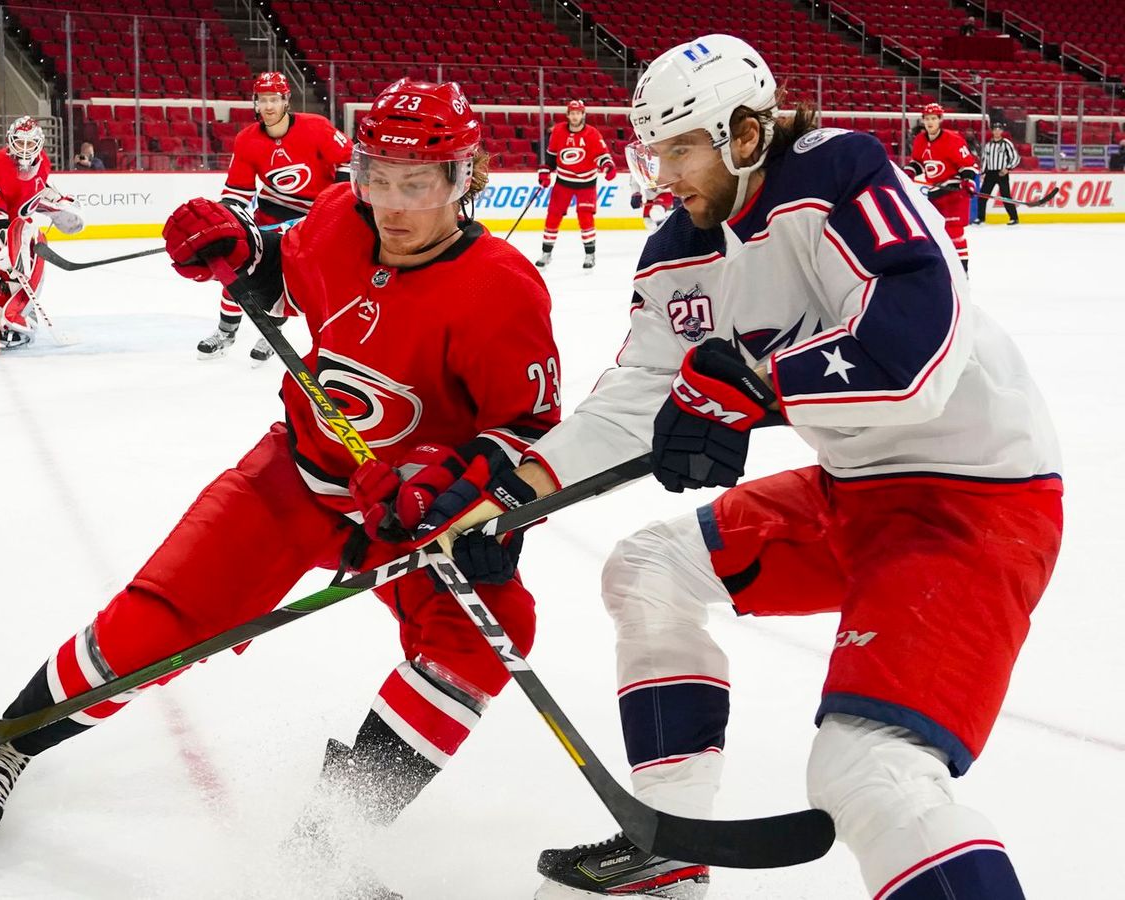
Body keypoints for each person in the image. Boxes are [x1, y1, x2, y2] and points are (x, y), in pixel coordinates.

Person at [423, 33, 1062, 900]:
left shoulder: (841, 173)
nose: (663, 174)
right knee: (648, 569)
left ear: (747, 132)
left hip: (973, 503)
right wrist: (510, 498)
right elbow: (632, 400)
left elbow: (918, 361)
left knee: (866, 771)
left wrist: (757, 386)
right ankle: (667, 850)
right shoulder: (675, 252)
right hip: (850, 492)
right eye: (654, 151)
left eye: (682, 148)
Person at [0, 79, 561, 898]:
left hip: (407, 513)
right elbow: (277, 272)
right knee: (155, 621)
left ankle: (332, 831)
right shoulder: (342, 217)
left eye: (420, 181)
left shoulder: (503, 289)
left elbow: (528, 431)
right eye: (378, 174)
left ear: (464, 176)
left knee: (488, 628)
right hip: (296, 479)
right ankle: (9, 742)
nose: (393, 203)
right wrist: (237, 249)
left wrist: (464, 500)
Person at [198, 71, 353, 363]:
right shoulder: (247, 140)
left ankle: (272, 334)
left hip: (316, 214)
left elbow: (349, 157)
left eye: (274, 99)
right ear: (255, 103)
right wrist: (226, 219)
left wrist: (333, 203)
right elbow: (238, 190)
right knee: (238, 269)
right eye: (263, 100)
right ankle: (225, 332)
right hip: (270, 211)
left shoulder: (316, 127)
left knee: (286, 278)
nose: (268, 106)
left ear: (286, 101)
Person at [0, 116, 85, 348]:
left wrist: (57, 201)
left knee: (30, 249)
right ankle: (13, 316)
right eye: (19, 143)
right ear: (10, 142)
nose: (24, 149)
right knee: (22, 250)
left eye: (30, 144)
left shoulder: (43, 163)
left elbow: (36, 189)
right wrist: (2, 236)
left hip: (17, 225)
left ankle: (8, 313)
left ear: (39, 145)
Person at [535, 99, 615, 270]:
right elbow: (551, 155)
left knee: (585, 217)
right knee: (553, 216)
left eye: (578, 113)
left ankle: (589, 255)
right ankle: (546, 253)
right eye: (572, 113)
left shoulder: (592, 134)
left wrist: (607, 166)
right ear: (568, 114)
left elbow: (602, 155)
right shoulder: (558, 131)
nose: (575, 116)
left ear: (583, 114)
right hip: (563, 181)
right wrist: (545, 171)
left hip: (586, 183)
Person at [905, 102, 979, 270]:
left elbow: (968, 165)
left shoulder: (953, 140)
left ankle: (962, 270)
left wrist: (967, 180)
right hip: (935, 194)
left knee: (955, 233)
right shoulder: (920, 140)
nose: (930, 122)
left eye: (933, 118)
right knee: (935, 232)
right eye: (927, 119)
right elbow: (918, 163)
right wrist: (909, 172)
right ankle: (944, 267)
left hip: (954, 194)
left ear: (940, 120)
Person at [977, 122, 1021, 225]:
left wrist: (1008, 168)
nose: (997, 131)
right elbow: (984, 160)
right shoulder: (988, 145)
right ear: (992, 131)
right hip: (990, 174)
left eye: (999, 129)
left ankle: (1014, 218)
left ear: (1002, 131)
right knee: (983, 196)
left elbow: (1016, 157)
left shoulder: (1006, 143)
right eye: (995, 129)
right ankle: (981, 218)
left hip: (1002, 173)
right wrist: (983, 172)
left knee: (1005, 196)